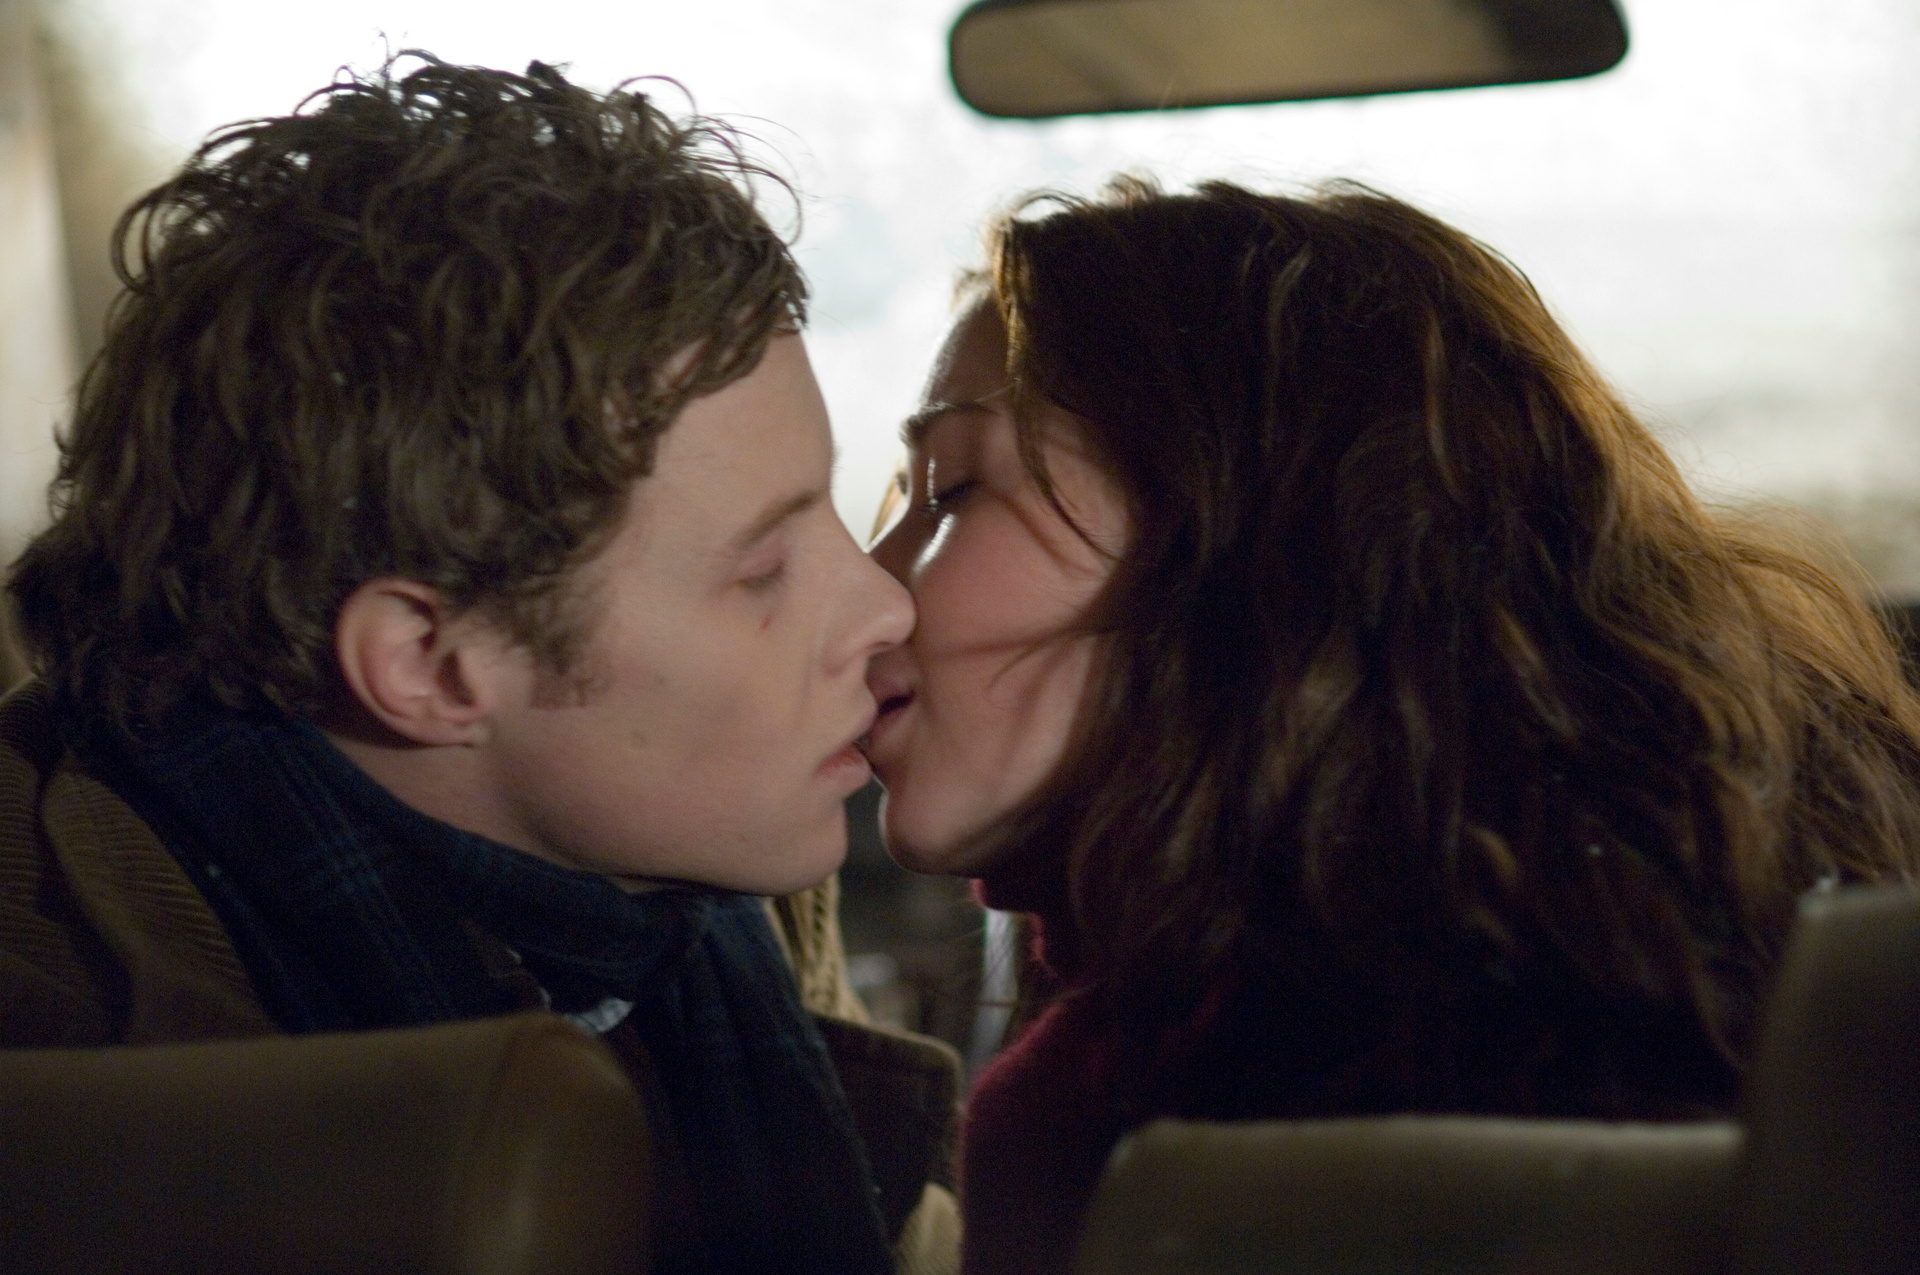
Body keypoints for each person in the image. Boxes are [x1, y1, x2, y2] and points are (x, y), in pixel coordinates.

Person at [0, 54, 961, 1275]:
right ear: (429, 665)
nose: (885, 604)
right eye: (762, 571)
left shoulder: (710, 882)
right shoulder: (62, 1044)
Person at [861, 177, 1920, 1274]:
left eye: (952, 489)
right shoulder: (1703, 973)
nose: (866, 586)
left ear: (1248, 539)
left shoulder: (1141, 1114)